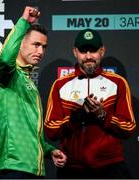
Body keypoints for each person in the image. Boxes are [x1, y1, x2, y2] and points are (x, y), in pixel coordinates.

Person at [44, 28, 136, 179]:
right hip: (72, 169)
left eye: (93, 50)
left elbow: (129, 127)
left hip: (111, 168)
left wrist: (102, 115)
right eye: (83, 50)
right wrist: (76, 117)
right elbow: (50, 130)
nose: (88, 56)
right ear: (75, 52)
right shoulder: (59, 85)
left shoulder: (118, 83)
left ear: (102, 51)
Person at [0, 6, 67, 179]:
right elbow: (5, 58)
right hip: (15, 168)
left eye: (44, 46)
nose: (41, 51)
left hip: (35, 170)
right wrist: (23, 22)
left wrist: (50, 151)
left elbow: (31, 134)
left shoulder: (29, 82)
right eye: (36, 45)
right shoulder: (8, 75)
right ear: (19, 44)